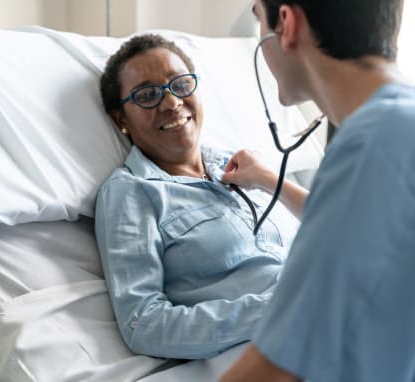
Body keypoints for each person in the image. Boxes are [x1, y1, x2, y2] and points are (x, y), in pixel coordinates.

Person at [221, 0, 415, 381]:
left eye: (260, 21)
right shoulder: (397, 128)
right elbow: (367, 236)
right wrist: (267, 178)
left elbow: (273, 370)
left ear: (286, 24)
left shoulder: (375, 141)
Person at [95, 34, 301, 359]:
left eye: (180, 85)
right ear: (121, 119)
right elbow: (143, 323)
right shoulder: (132, 192)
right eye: (148, 95)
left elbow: (331, 229)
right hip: (284, 343)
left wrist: (267, 179)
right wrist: (281, 309)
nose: (171, 102)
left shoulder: (243, 165)